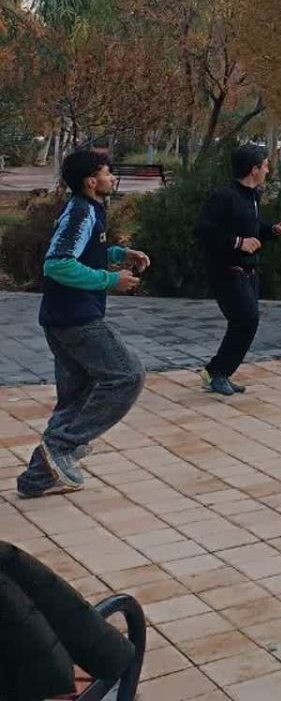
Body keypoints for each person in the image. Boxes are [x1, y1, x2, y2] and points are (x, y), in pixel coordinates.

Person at [16, 149, 150, 499]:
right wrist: (111, 280)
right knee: (127, 376)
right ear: (92, 181)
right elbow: (58, 264)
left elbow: (84, 251)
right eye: (107, 172)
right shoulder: (81, 212)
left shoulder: (87, 209)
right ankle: (61, 448)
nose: (112, 177)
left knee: (76, 397)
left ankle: (36, 478)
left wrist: (120, 254)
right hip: (77, 319)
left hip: (61, 318)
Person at [195, 145, 281, 397]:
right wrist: (238, 243)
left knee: (245, 322)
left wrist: (274, 230)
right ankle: (217, 372)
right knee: (246, 320)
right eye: (266, 165)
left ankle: (217, 372)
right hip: (226, 270)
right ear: (254, 169)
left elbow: (253, 228)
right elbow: (204, 230)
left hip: (248, 271)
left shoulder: (251, 196)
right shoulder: (224, 196)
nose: (268, 170)